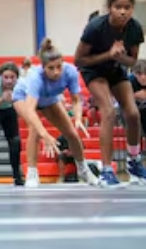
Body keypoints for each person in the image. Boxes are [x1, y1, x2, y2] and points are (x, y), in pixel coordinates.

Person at [74, 0, 146, 187]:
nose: (122, 11)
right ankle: (107, 170)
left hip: (115, 69)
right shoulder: (95, 27)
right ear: (110, 7)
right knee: (108, 112)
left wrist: (119, 57)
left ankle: (134, 161)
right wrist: (108, 55)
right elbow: (79, 59)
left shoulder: (135, 29)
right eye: (118, 7)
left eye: (127, 7)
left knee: (133, 113)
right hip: (93, 70)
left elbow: (133, 60)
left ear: (132, 9)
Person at [13, 38, 100, 187]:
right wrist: (45, 135)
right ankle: (32, 173)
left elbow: (76, 100)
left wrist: (78, 118)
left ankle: (83, 169)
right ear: (43, 67)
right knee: (35, 129)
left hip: (49, 98)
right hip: (23, 97)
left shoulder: (70, 71)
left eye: (59, 67)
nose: (56, 72)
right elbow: (30, 109)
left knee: (72, 133)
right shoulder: (35, 77)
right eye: (51, 68)